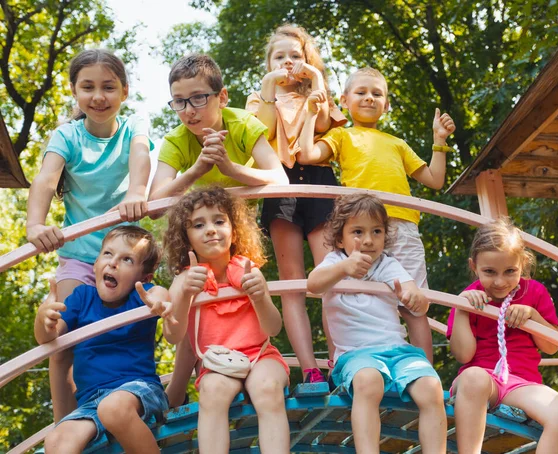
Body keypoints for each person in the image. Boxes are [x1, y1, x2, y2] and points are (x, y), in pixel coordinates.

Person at [26, 49, 153, 421]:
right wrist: (36, 224)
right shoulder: (67, 135)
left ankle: (136, 403)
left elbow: (141, 157)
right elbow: (47, 179)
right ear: (74, 92)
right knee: (63, 340)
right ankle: (64, 424)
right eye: (88, 87)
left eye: (108, 87)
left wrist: (136, 193)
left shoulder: (134, 127)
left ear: (124, 92)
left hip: (126, 258)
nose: (98, 96)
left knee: (134, 329)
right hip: (80, 257)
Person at [299, 67, 456, 363]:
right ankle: (338, 366)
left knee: (415, 303)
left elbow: (435, 179)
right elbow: (306, 155)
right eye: (361, 92)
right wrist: (311, 115)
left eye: (377, 94)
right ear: (344, 99)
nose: (369, 98)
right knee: (340, 291)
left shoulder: (397, 143)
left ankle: (425, 372)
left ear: (387, 104)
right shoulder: (341, 136)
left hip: (402, 226)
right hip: (358, 230)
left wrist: (439, 140)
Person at [245, 24, 347, 383]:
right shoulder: (259, 98)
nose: (288, 62)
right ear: (269, 63)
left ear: (307, 62)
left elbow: (321, 124)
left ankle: (340, 361)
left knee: (330, 277)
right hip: (280, 186)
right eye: (279, 56)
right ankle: (310, 368)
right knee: (293, 283)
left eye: (296, 56)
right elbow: (264, 129)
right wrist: (270, 88)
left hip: (319, 183)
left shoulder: (317, 94)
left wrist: (316, 78)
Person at [307, 193, 447, 453]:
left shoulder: (386, 263)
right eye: (358, 231)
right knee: (368, 382)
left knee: (431, 388)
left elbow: (411, 290)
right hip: (355, 356)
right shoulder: (335, 262)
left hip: (398, 351)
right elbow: (314, 284)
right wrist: (344, 268)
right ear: (340, 238)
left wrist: (415, 297)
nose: (369, 240)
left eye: (377, 231)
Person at [154, 187, 290, 453]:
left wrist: (260, 296)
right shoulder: (184, 280)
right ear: (187, 238)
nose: (211, 230)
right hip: (216, 363)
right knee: (212, 391)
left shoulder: (249, 270)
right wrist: (184, 296)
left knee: (268, 387)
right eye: (198, 224)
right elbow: (173, 336)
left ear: (234, 230)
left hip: (261, 356)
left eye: (219, 221)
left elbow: (273, 328)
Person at [447, 218, 558, 453]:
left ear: (523, 264)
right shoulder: (468, 296)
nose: (499, 282)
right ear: (473, 266)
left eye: (510, 271)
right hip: (481, 381)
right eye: (489, 272)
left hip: (522, 385)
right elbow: (464, 355)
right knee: (473, 377)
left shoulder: (535, 292)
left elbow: (551, 347)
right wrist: (461, 310)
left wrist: (533, 316)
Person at [35, 226, 170, 454]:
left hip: (139, 390)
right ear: (95, 264)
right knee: (56, 441)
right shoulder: (81, 297)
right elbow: (49, 337)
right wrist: (43, 320)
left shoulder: (143, 295)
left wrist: (160, 302)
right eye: (107, 254)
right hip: (91, 403)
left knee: (113, 408)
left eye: (127, 259)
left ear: (143, 277)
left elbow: (160, 296)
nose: (113, 263)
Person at [148, 53, 288, 201]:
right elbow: (154, 205)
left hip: (244, 218)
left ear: (222, 98)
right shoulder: (175, 141)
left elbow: (280, 179)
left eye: (198, 97)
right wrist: (196, 170)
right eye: (179, 101)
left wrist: (231, 169)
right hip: (204, 219)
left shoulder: (245, 125)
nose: (189, 110)